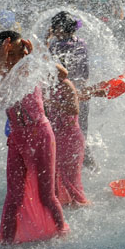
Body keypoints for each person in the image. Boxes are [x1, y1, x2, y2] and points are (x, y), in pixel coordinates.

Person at [0, 30, 68, 244]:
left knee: (46, 194)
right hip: (17, 137)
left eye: (19, 52)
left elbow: (62, 74)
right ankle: (5, 244)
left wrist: (39, 56)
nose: (17, 58)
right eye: (10, 54)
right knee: (13, 196)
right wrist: (2, 62)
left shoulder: (31, 66)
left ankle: (62, 234)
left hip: (40, 134)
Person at [47, 11, 96, 168]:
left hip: (63, 94)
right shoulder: (81, 43)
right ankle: (91, 167)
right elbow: (85, 73)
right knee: (81, 133)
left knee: (62, 133)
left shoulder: (58, 45)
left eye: (54, 27)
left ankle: (69, 167)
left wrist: (46, 41)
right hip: (80, 93)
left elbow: (47, 66)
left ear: (61, 28)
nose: (53, 30)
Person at [46, 67, 89, 207]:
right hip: (55, 135)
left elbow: (74, 109)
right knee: (56, 176)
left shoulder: (65, 84)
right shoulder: (46, 87)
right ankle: (64, 208)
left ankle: (83, 207)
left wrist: (52, 103)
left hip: (70, 136)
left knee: (71, 179)